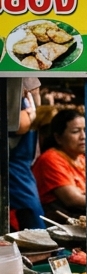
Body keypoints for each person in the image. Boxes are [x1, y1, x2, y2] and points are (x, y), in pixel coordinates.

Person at [33, 109, 87, 217]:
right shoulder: (50, 159)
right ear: (58, 138)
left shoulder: (81, 157)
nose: (83, 136)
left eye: (85, 130)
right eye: (76, 131)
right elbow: (73, 199)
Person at [9, 79, 44, 229]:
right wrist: (32, 116)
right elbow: (21, 125)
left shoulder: (26, 98)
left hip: (21, 164)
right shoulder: (16, 97)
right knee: (31, 208)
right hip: (13, 164)